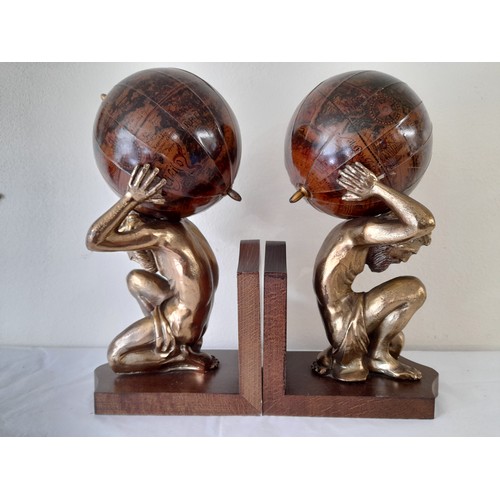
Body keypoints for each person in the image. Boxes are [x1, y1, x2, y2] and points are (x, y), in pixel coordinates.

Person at [86, 164, 219, 373]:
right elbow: (149, 268)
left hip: (181, 324)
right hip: (192, 316)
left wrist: (130, 199)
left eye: (131, 246)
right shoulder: (181, 224)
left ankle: (179, 354)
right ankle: (161, 338)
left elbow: (94, 240)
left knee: (116, 357)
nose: (132, 255)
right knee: (135, 279)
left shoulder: (161, 234)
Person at [313, 162, 435, 382]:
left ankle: (370, 353)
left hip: (345, 316)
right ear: (392, 238)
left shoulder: (356, 235)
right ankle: (377, 356)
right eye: (407, 252)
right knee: (414, 289)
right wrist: (376, 187)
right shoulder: (359, 232)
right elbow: (423, 223)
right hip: (346, 322)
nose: (404, 259)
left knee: (395, 339)